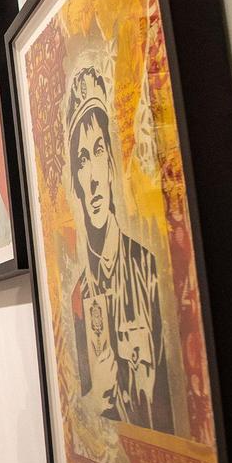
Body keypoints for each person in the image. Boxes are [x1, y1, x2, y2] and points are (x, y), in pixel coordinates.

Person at [66, 66, 174, 434]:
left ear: (111, 165)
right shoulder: (79, 294)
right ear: (77, 184)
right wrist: (95, 397)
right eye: (82, 160)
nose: (93, 176)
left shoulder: (147, 268)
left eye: (97, 152)